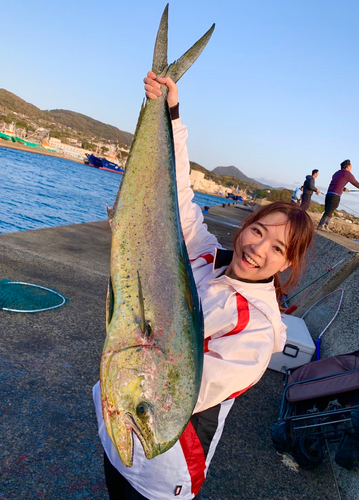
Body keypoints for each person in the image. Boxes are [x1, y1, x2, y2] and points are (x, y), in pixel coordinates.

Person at [93, 72, 315, 500]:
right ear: (245, 227)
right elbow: (177, 193)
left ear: (287, 263)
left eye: (278, 248)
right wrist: (170, 112)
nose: (259, 249)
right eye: (258, 232)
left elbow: (175, 391)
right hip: (120, 420)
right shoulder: (202, 253)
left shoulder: (257, 330)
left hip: (165, 464)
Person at [317, 159, 359, 231]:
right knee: (330, 210)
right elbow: (355, 183)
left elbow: (337, 183)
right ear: (348, 166)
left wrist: (344, 188)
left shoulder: (336, 173)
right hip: (335, 195)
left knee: (329, 210)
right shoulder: (347, 173)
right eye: (351, 165)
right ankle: (321, 225)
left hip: (329, 193)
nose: (351, 167)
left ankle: (325, 226)